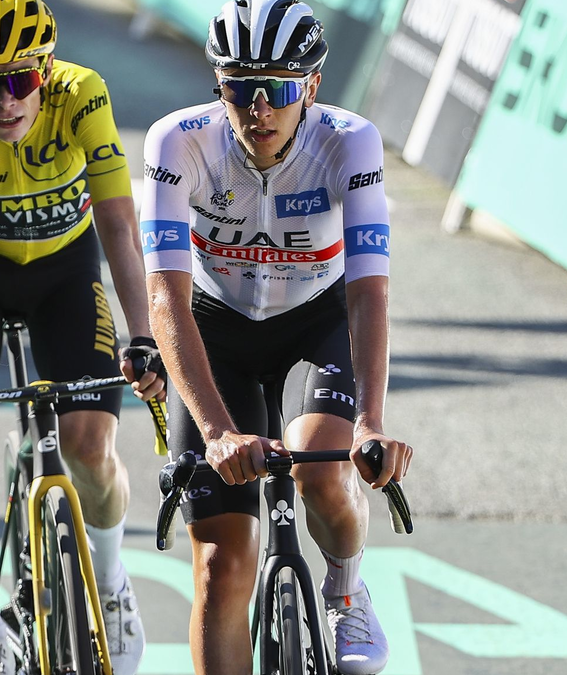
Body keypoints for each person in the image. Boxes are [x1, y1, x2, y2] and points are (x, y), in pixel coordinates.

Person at [136, 1, 414, 674]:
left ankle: (347, 591)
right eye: (240, 87)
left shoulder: (351, 142)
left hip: (312, 324)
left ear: (312, 87)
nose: (259, 108)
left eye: (280, 89)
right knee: (221, 567)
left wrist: (371, 422)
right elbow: (165, 297)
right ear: (218, 86)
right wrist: (215, 430)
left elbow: (368, 289)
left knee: (324, 470)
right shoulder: (179, 143)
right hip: (215, 330)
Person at [0, 2, 163, 674]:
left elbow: (120, 227)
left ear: (47, 69)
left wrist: (144, 333)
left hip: (64, 272)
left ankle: (108, 584)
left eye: (20, 79)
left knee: (88, 442)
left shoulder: (83, 95)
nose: (6, 99)